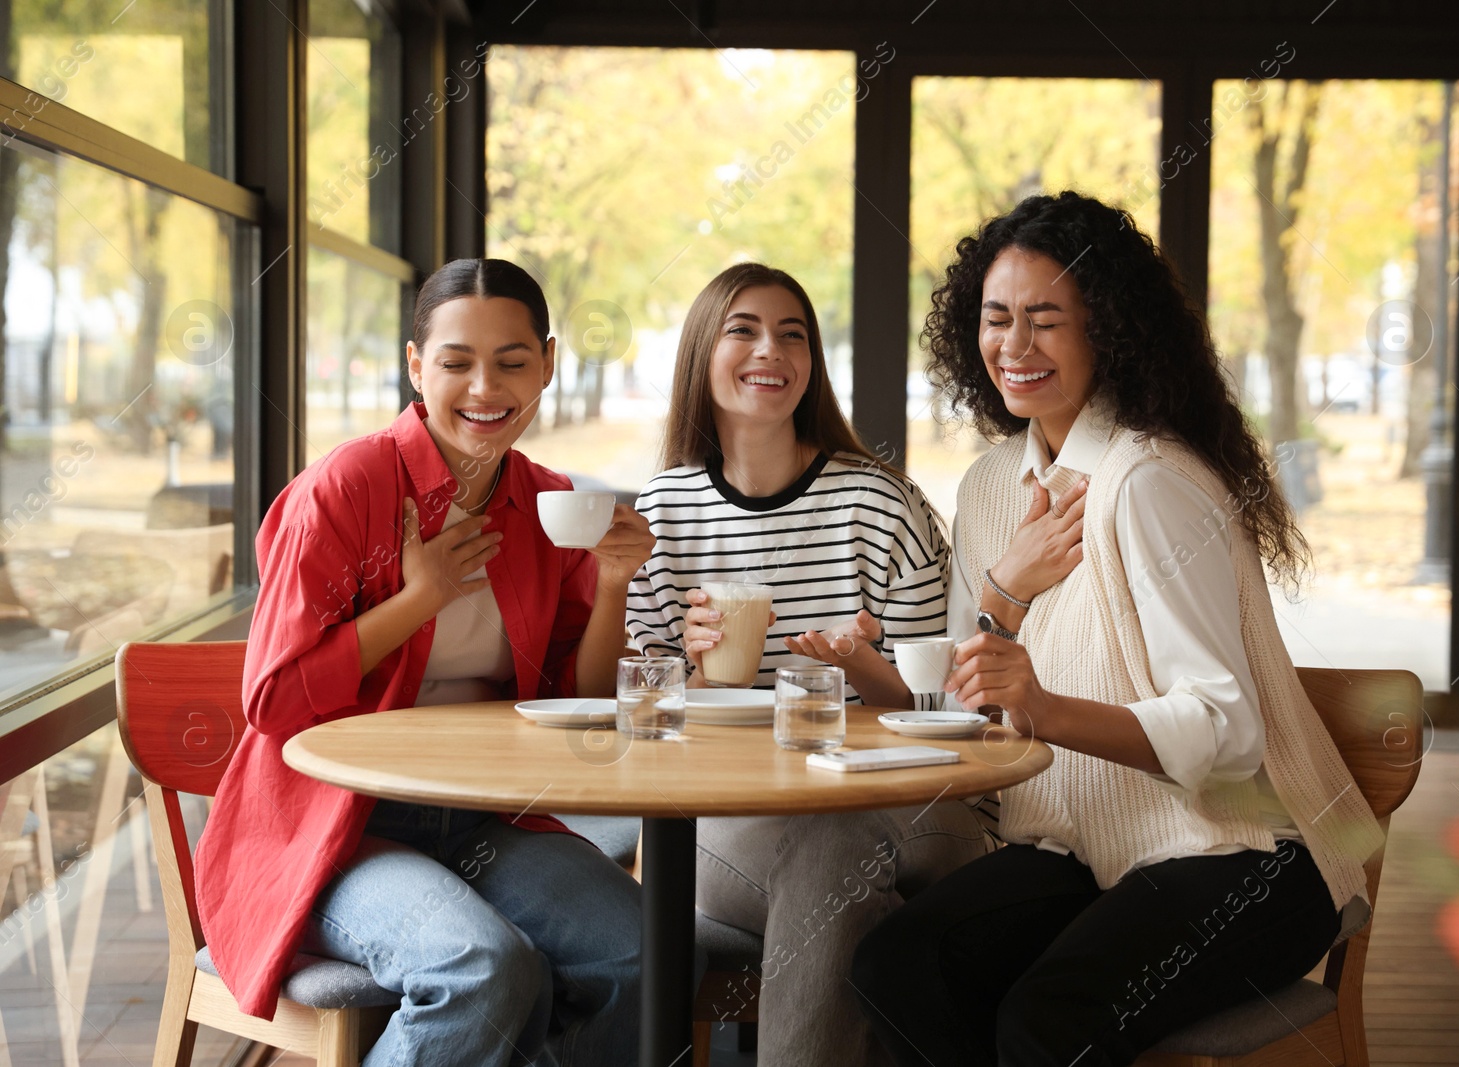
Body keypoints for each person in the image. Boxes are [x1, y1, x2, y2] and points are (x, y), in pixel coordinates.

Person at [850, 192, 1386, 1067]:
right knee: (897, 962)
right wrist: (987, 604)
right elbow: (974, 697)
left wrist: (1046, 707)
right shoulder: (992, 487)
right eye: (996, 319)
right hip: (1090, 847)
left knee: (1043, 1021)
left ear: (1109, 329)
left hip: (1251, 855)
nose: (1014, 346)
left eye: (1046, 319)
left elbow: (1227, 728)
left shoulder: (1148, 482)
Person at [195, 258, 654, 1067]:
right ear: (416, 366)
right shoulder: (347, 488)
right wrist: (419, 598)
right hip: (336, 829)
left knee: (644, 952)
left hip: (482, 817)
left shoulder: (546, 502)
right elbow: (272, 698)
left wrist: (614, 584)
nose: (486, 386)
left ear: (547, 364)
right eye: (456, 362)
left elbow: (579, 701)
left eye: (513, 361)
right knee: (481, 966)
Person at [626, 262, 992, 1067]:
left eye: (794, 333)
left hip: (911, 801)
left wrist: (860, 662)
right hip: (737, 820)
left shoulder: (881, 504)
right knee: (841, 879)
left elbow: (940, 712)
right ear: (701, 354)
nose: (772, 350)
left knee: (836, 845)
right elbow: (641, 724)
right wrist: (688, 667)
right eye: (744, 330)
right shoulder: (661, 513)